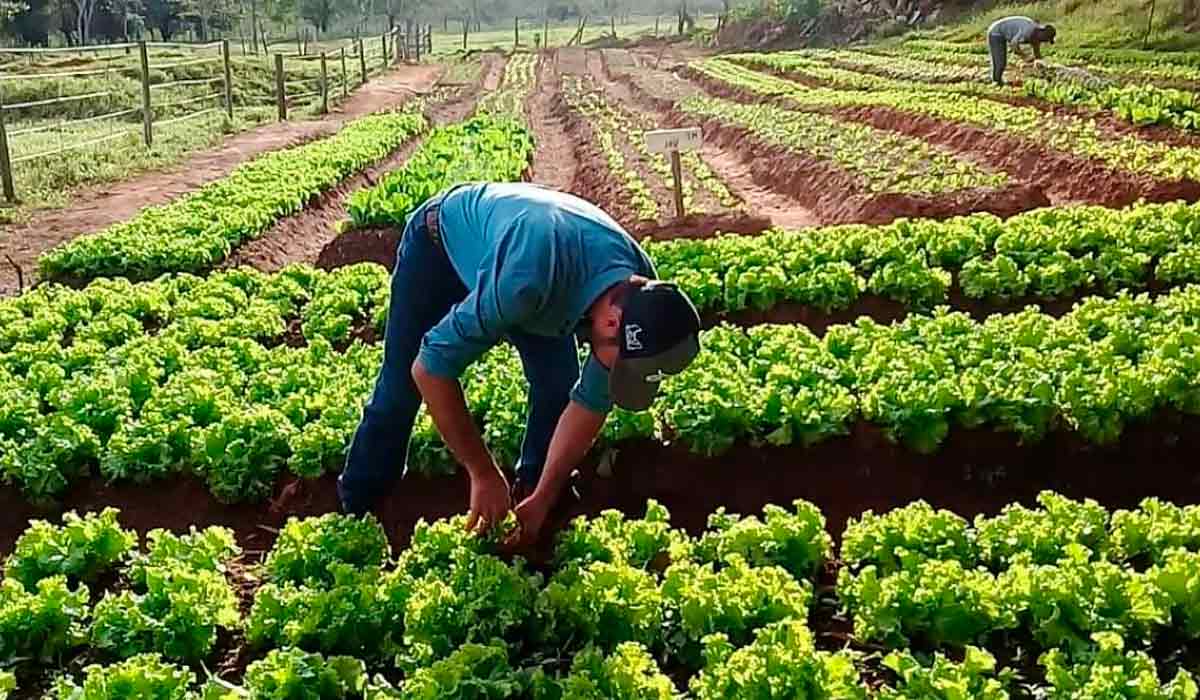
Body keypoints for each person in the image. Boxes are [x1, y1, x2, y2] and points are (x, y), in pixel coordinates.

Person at [337, 182, 702, 546]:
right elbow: (429, 369)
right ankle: (358, 513)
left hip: (545, 270)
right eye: (623, 364)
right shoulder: (525, 283)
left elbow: (590, 403)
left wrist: (544, 495)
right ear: (610, 324)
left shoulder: (645, 294)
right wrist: (481, 471)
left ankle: (531, 511)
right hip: (439, 249)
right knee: (401, 388)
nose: (616, 373)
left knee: (558, 387)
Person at [986, 16, 1056, 86]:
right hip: (996, 32)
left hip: (1003, 33)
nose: (1044, 41)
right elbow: (1013, 45)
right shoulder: (1027, 30)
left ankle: (997, 81)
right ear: (1042, 33)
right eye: (1045, 39)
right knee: (1000, 62)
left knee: (1002, 62)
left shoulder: (1036, 35)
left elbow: (1037, 55)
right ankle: (996, 83)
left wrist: (1045, 70)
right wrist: (1024, 56)